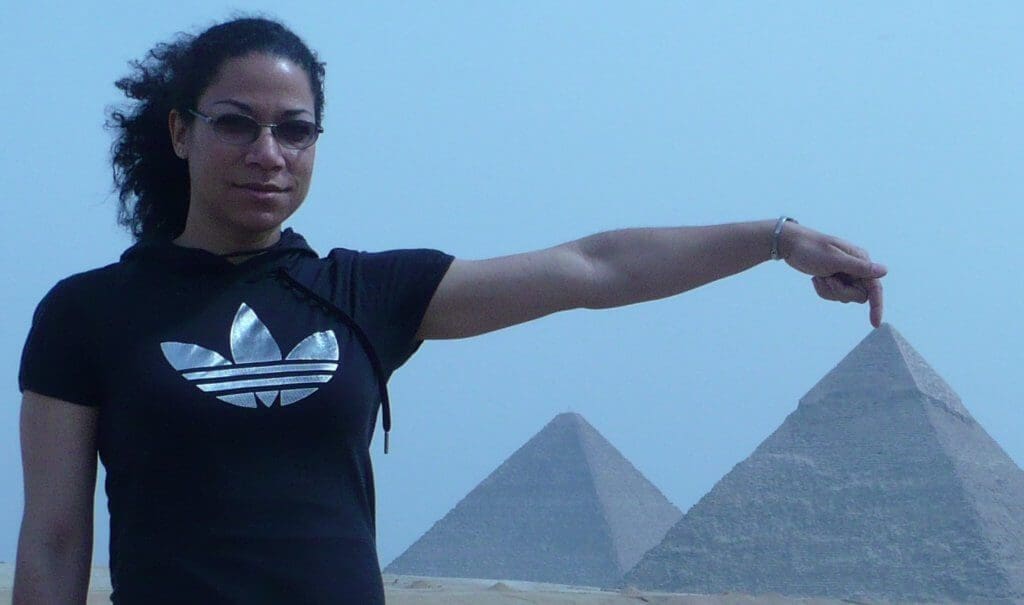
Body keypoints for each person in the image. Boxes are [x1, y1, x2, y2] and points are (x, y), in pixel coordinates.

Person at [13, 16, 886, 605]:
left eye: (296, 129)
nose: (268, 153)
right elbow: (54, 538)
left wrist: (775, 238)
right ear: (179, 132)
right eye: (237, 123)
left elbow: (592, 266)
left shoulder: (365, 294)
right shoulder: (87, 313)